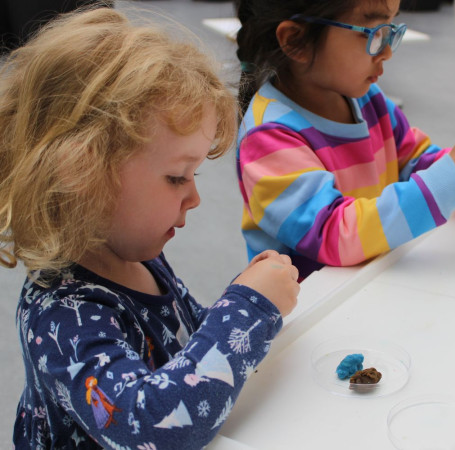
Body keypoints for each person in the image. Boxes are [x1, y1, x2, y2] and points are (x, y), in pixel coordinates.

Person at [0, 7, 299, 449]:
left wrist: (242, 299)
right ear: (84, 175)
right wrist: (247, 308)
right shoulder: (63, 317)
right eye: (178, 177)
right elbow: (151, 426)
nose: (195, 198)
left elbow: (183, 338)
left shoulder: (134, 251)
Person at [234, 0, 455, 280]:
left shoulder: (368, 100)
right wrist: (452, 176)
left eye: (391, 30)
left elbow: (414, 161)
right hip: (312, 309)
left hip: (373, 281)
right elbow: (334, 235)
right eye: (371, 33)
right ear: (296, 41)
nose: (387, 52)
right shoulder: (268, 137)